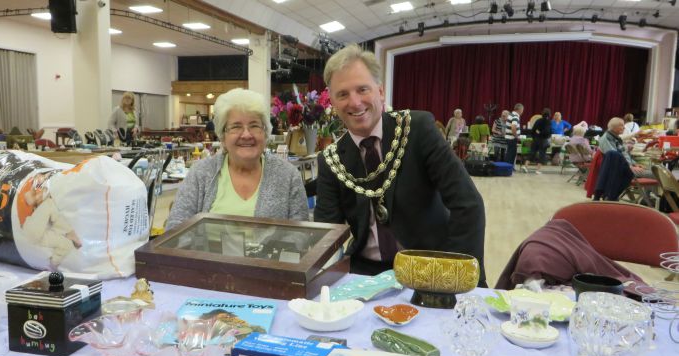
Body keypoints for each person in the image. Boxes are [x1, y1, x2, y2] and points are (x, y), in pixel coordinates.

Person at [314, 44, 487, 286]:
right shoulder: (331, 160)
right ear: (332, 102)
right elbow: (326, 233)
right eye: (343, 94)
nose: (354, 102)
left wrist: (455, 276)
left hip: (430, 267)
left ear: (381, 92)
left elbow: (468, 204)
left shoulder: (417, 129)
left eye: (362, 89)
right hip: (365, 273)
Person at [165, 88, 309, 231]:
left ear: (265, 133)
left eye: (254, 126)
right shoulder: (201, 173)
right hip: (208, 255)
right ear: (223, 135)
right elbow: (175, 231)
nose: (246, 135)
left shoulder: (288, 176)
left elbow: (300, 238)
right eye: (236, 127)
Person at [21, 174, 82, 269]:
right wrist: (37, 188)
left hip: (39, 235)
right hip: (30, 230)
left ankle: (52, 265)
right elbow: (30, 200)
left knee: (67, 244)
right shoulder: (31, 193)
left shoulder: (49, 194)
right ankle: (70, 233)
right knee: (49, 204)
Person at [524, 108, 552, 174]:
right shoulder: (548, 122)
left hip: (536, 139)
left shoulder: (538, 120)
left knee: (532, 152)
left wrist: (535, 136)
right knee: (542, 154)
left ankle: (525, 166)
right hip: (543, 140)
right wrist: (544, 134)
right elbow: (547, 132)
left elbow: (533, 130)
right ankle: (538, 170)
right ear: (549, 114)